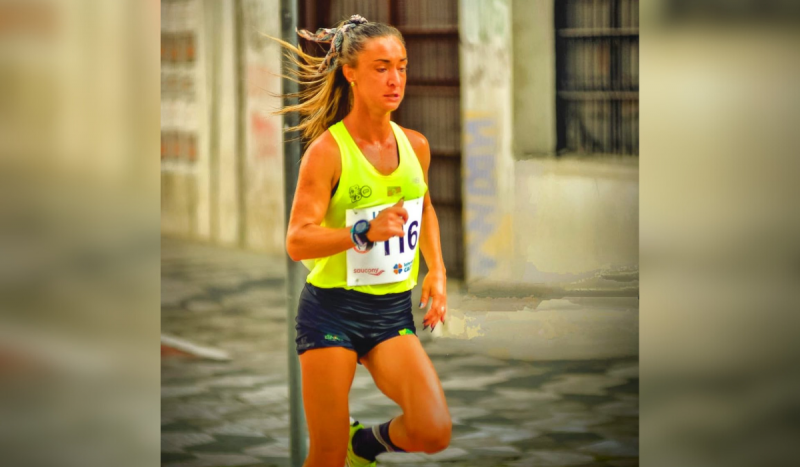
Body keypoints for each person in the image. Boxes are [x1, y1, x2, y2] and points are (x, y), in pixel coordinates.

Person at [275, 14, 451, 467]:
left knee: (433, 430)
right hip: (331, 311)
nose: (396, 80)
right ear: (350, 72)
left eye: (402, 66)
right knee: (326, 455)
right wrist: (361, 233)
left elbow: (425, 208)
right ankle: (344, 449)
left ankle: (365, 446)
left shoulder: (416, 145)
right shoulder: (327, 153)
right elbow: (298, 241)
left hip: (390, 311)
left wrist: (438, 272)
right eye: (381, 67)